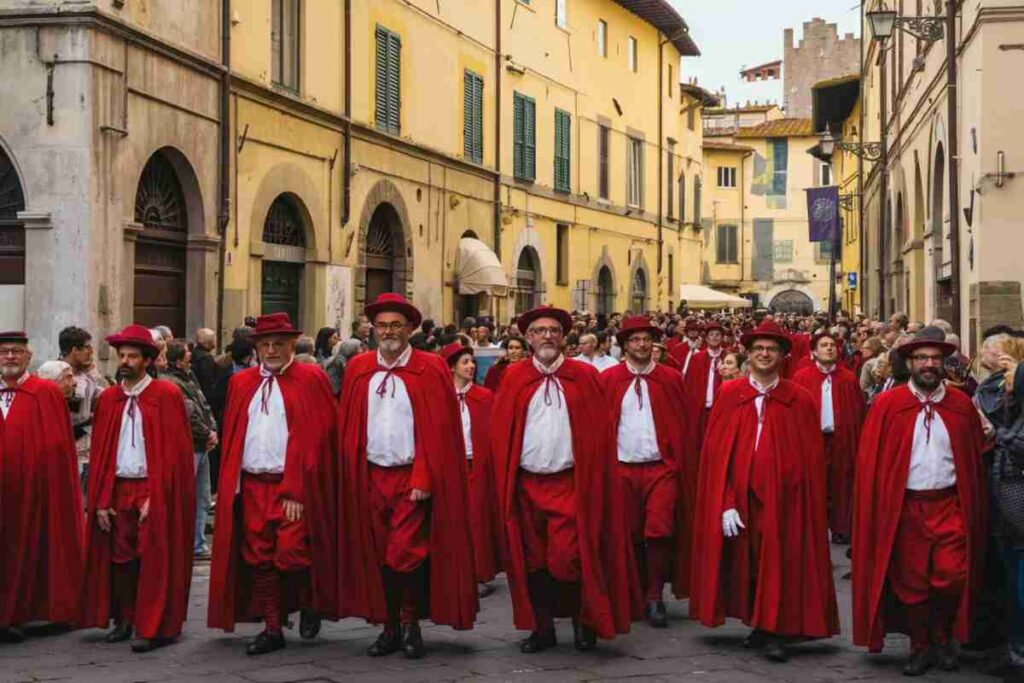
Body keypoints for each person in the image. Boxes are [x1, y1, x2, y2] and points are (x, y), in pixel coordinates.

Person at [336, 293, 477, 659]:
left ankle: (411, 622)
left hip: (410, 477)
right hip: (370, 475)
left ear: (411, 328)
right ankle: (388, 626)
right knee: (379, 554)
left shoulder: (429, 368)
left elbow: (439, 430)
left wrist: (424, 476)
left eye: (396, 325)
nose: (388, 331)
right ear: (372, 330)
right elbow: (349, 425)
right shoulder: (359, 368)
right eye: (382, 325)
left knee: (405, 554)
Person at [691, 319, 838, 663]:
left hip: (785, 500)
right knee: (750, 563)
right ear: (748, 354)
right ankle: (759, 622)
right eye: (758, 349)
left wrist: (802, 501)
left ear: (783, 356)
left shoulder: (798, 399)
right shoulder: (730, 395)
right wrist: (725, 502)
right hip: (742, 499)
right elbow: (716, 455)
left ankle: (774, 630)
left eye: (771, 349)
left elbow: (810, 459)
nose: (765, 354)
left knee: (780, 562)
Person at [491, 305, 634, 654]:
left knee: (569, 558)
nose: (547, 336)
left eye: (554, 330)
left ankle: (581, 619)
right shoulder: (514, 378)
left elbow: (599, 434)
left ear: (564, 336)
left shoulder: (583, 377)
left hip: (569, 483)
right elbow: (500, 433)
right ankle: (542, 629)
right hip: (526, 484)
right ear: (528, 338)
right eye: (540, 331)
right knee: (533, 560)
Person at [852, 327, 987, 676]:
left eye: (935, 359)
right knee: (912, 582)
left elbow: (974, 455)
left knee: (952, 576)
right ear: (909, 363)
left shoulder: (960, 405)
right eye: (921, 358)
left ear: (943, 363)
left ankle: (943, 636)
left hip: (949, 504)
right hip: (906, 506)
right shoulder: (888, 405)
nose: (929, 364)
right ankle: (922, 646)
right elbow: (871, 461)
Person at [208, 313, 338, 655]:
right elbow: (234, 435)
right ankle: (272, 626)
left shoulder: (311, 378)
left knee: (292, 553)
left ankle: (309, 601)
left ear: (292, 344)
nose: (271, 350)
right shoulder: (241, 382)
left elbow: (316, 437)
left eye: (278, 344)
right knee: (259, 556)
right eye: (264, 345)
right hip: (252, 484)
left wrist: (297, 488)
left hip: (292, 485)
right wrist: (230, 484)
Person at [80, 325, 195, 653]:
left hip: (151, 487)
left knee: (153, 559)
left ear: (148, 360)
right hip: (118, 487)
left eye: (133, 356)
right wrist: (101, 498)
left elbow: (175, 454)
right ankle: (125, 619)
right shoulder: (110, 399)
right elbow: (101, 452)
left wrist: (158, 495)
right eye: (122, 356)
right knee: (121, 559)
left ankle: (153, 625)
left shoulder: (167, 396)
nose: (125, 361)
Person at [600, 316, 696, 628]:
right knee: (627, 532)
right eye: (635, 340)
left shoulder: (670, 379)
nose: (641, 345)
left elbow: (683, 424)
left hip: (661, 468)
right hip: (622, 468)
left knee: (659, 530)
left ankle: (655, 595)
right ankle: (635, 592)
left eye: (646, 340)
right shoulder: (609, 380)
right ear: (624, 345)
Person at [0, 331, 84, 643]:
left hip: (33, 495)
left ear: (28, 357)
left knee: (30, 551)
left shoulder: (46, 393)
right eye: (5, 352)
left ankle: (23, 614)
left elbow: (58, 448)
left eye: (16, 352)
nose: (10, 357)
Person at [441, 342, 503, 596]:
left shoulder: (484, 397)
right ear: (452, 367)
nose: (470, 366)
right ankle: (452, 573)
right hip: (450, 467)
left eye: (472, 362)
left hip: (477, 465)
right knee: (450, 518)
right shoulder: (440, 396)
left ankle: (477, 573)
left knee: (476, 519)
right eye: (465, 362)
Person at [792, 332, 866, 545]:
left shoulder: (848, 378)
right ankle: (813, 528)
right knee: (814, 483)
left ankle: (841, 527)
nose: (829, 348)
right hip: (813, 440)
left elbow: (858, 411)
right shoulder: (802, 377)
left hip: (841, 439)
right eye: (823, 345)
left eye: (832, 345)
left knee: (842, 483)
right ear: (814, 351)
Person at [161, 339, 218, 558]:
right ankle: (185, 543)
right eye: (186, 354)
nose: (190, 357)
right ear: (178, 359)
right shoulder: (172, 382)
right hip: (190, 446)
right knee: (186, 496)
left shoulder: (189, 378)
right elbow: (189, 414)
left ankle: (197, 543)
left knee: (202, 497)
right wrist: (207, 432)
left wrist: (212, 429)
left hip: (201, 444)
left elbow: (203, 406)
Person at [59, 326, 109, 492]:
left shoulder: (84, 373)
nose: (91, 352)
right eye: (87, 348)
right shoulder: (57, 374)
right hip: (69, 450)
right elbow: (76, 411)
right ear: (75, 350)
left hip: (87, 450)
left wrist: (93, 374)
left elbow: (102, 398)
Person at [682, 321, 727, 440]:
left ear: (722, 337)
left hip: (721, 409)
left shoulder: (727, 357)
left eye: (717, 335)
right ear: (706, 338)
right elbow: (690, 384)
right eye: (711, 335)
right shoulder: (697, 358)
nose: (714, 337)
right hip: (701, 408)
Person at [191, 328, 219, 401]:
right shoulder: (206, 358)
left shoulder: (194, 352)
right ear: (209, 342)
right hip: (204, 396)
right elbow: (208, 381)